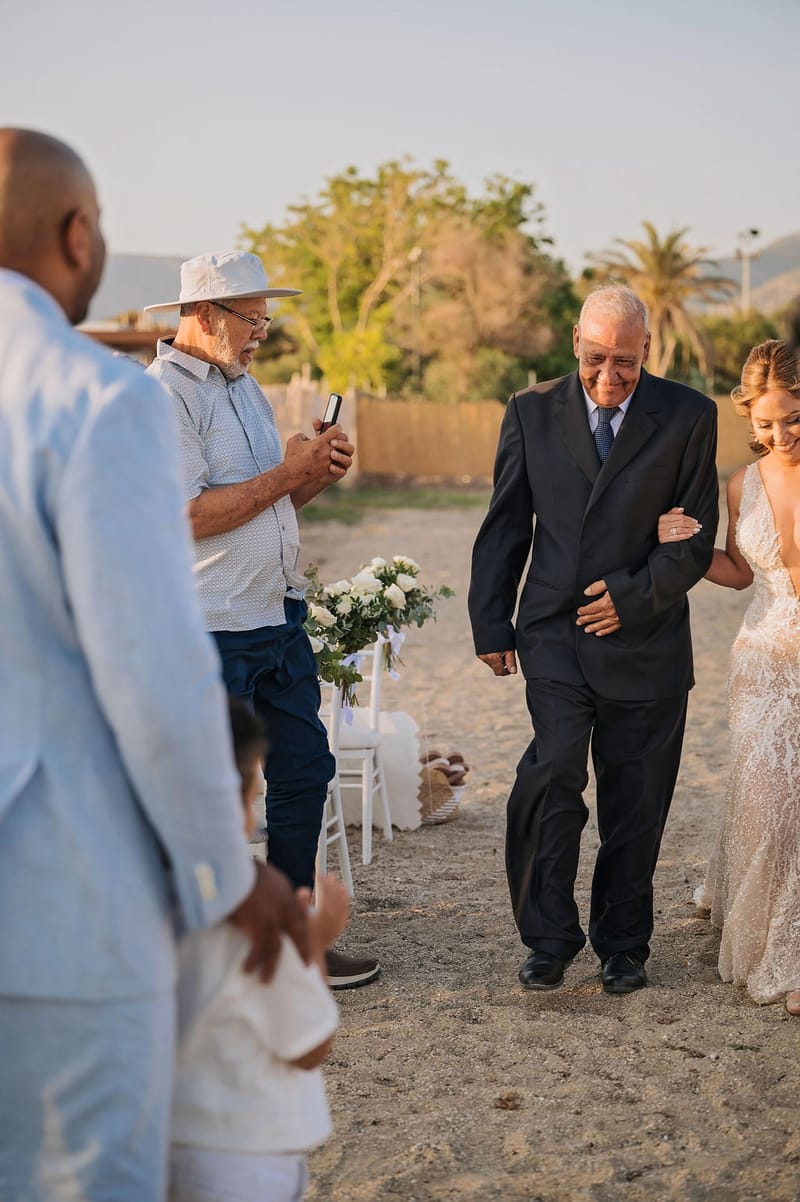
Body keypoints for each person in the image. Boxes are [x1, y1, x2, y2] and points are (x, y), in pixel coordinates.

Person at [0, 129, 306, 1201]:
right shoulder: (95, 400)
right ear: (78, 236)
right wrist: (228, 869)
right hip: (50, 902)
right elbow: (149, 667)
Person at [468, 285, 719, 995]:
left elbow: (697, 538)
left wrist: (633, 598)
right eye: (598, 358)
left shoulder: (690, 417)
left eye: (627, 363)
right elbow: (508, 521)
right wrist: (492, 620)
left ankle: (623, 945)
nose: (610, 378)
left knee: (636, 801)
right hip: (554, 632)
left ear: (649, 352)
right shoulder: (528, 411)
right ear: (576, 341)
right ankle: (547, 938)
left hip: (649, 644)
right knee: (550, 777)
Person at [145, 253, 379, 990]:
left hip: (275, 617)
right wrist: (287, 472)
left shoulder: (246, 390)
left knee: (306, 771)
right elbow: (184, 518)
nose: (261, 337)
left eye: (266, 322)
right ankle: (214, 955)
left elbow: (264, 506)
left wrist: (309, 473)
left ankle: (293, 936)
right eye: (253, 321)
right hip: (209, 632)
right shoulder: (163, 399)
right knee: (216, 795)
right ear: (206, 317)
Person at [658, 339, 800, 1016]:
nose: (779, 434)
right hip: (761, 664)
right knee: (769, 808)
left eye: (792, 417)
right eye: (766, 423)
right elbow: (741, 572)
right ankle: (774, 943)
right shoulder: (741, 483)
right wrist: (680, 546)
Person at [170, 700, 348, 1202]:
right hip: (245, 1152)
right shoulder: (257, 914)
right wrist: (313, 948)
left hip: (157, 1135)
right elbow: (308, 1045)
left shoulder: (139, 895)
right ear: (240, 799)